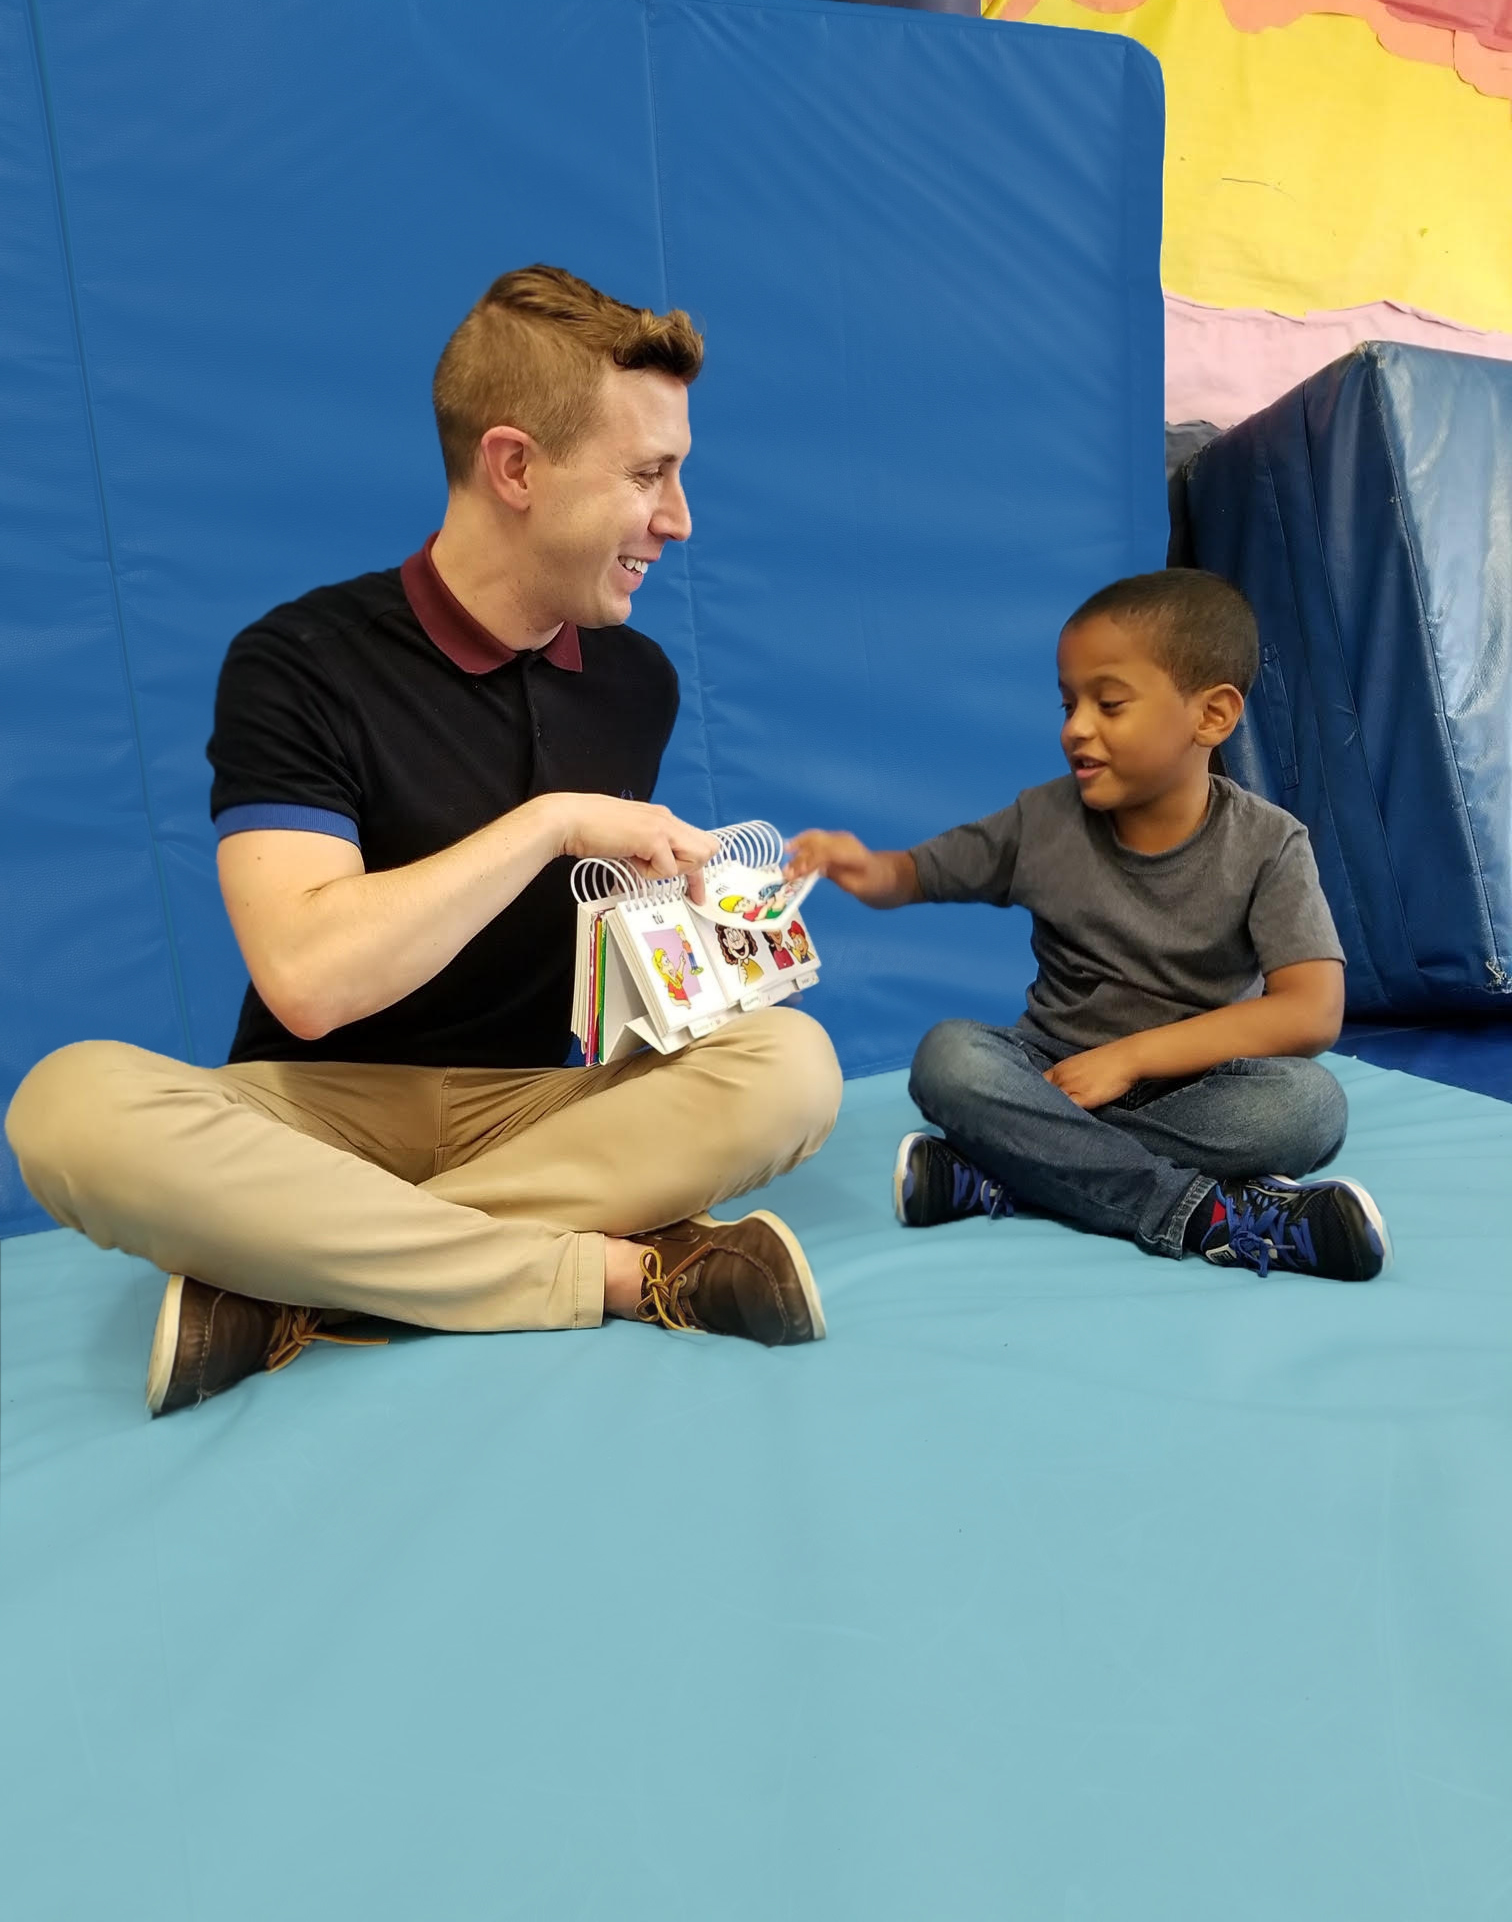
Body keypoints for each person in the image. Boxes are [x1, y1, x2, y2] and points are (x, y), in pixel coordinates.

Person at [6, 266, 842, 1416]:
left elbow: (589, 960)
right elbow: (308, 981)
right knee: (67, 1107)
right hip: (315, 1111)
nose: (679, 517)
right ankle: (595, 1271)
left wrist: (696, 946)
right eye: (650, 474)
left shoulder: (636, 678)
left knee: (792, 1068)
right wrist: (552, 824)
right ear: (514, 467)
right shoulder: (297, 663)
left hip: (535, 1104)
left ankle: (300, 1279)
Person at [788, 568, 1390, 1282]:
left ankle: (1012, 1169)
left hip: (1194, 1089)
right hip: (1052, 1073)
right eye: (1069, 703)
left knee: (1310, 1107)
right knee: (949, 1057)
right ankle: (1204, 1216)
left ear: (1213, 717)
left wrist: (1133, 1058)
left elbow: (1311, 1010)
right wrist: (863, 866)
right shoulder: (1041, 821)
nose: (1076, 727)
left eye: (1109, 703)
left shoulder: (1268, 843)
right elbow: (916, 874)